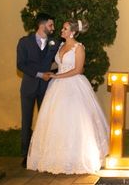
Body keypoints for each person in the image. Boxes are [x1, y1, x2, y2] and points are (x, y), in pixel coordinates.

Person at [26, 19, 109, 174]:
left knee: (74, 120)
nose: (61, 31)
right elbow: (59, 64)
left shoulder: (79, 48)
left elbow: (78, 69)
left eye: (64, 29)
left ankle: (75, 158)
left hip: (73, 85)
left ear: (72, 32)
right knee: (56, 120)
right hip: (58, 86)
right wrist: (44, 71)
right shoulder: (60, 46)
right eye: (62, 28)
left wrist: (58, 76)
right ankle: (56, 158)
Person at [16, 12, 59, 168]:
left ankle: (44, 153)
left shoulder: (54, 43)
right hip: (28, 87)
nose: (53, 28)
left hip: (46, 88)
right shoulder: (24, 42)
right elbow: (21, 64)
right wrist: (41, 74)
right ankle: (25, 155)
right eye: (50, 25)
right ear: (42, 26)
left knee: (45, 121)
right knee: (26, 121)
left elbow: (57, 62)